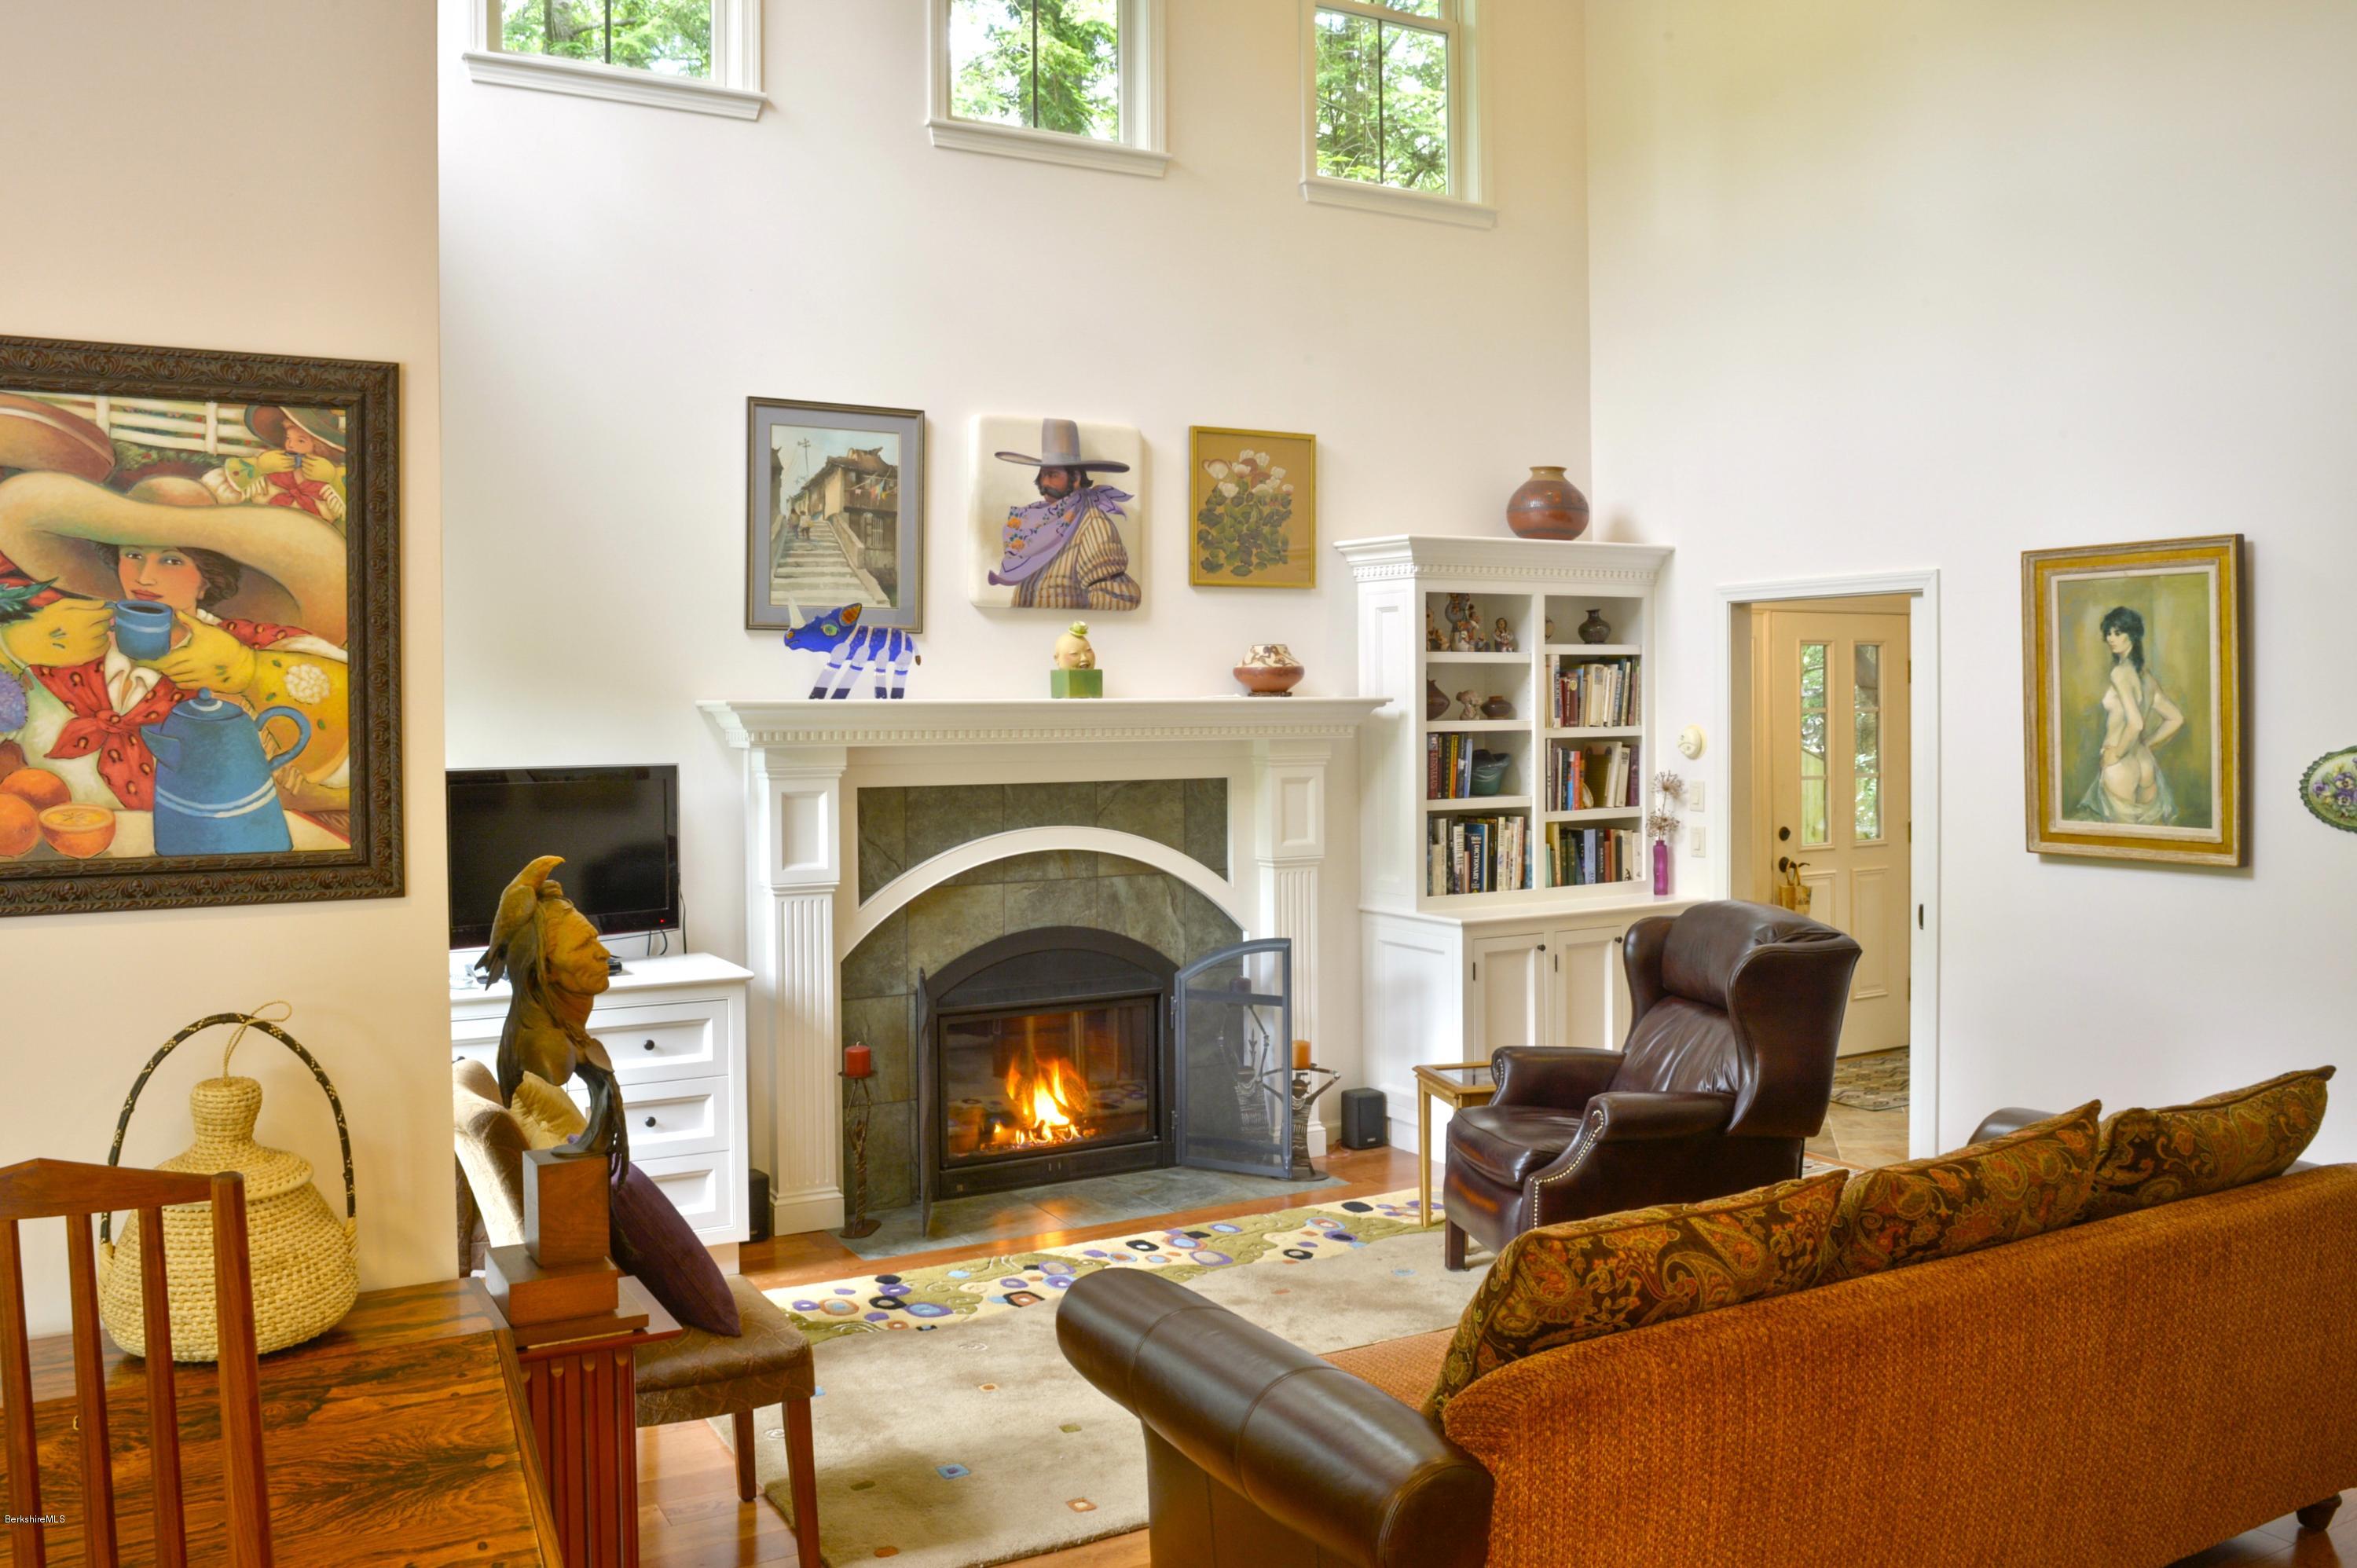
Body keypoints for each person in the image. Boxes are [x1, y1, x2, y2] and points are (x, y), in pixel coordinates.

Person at [0, 471, 352, 833]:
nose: (144, 577)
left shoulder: (255, 646)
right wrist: (13, 649)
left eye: (171, 561)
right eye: (133, 554)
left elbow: (352, 728)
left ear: (208, 579)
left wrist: (249, 671)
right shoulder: (64, 632)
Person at [987, 419, 1141, 611]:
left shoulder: (1093, 524)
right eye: (1042, 474)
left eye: (1052, 475)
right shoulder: (1034, 522)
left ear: (1075, 478)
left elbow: (1112, 600)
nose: (1044, 482)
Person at [2077, 604, 2185, 824]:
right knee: (2146, 838)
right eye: (2108, 633)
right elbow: (2176, 718)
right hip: (2145, 764)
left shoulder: (2120, 673)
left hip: (2121, 765)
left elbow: (2135, 724)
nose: (2110, 638)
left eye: (2118, 633)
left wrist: (2116, 754)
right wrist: (2146, 745)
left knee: (2125, 842)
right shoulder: (2147, 677)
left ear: (2132, 635)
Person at [201, 405, 348, 526]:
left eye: (301, 441)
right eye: (288, 438)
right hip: (268, 525)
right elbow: (232, 489)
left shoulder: (329, 471)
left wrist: (331, 477)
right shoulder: (275, 463)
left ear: (318, 446)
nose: (290, 444)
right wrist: (261, 466)